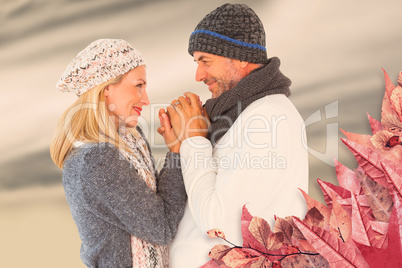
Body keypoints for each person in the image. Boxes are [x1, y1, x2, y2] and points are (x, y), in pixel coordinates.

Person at [163, 4, 309, 267]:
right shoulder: (240, 116)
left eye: (205, 61)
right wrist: (180, 148)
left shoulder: (266, 120)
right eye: (196, 62)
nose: (198, 75)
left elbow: (222, 228)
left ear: (241, 56)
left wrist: (194, 142)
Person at [50, 39, 186, 267]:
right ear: (106, 89)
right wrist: (177, 151)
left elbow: (153, 206)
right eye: (138, 85)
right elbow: (161, 227)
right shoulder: (97, 159)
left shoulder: (130, 137)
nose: (146, 99)